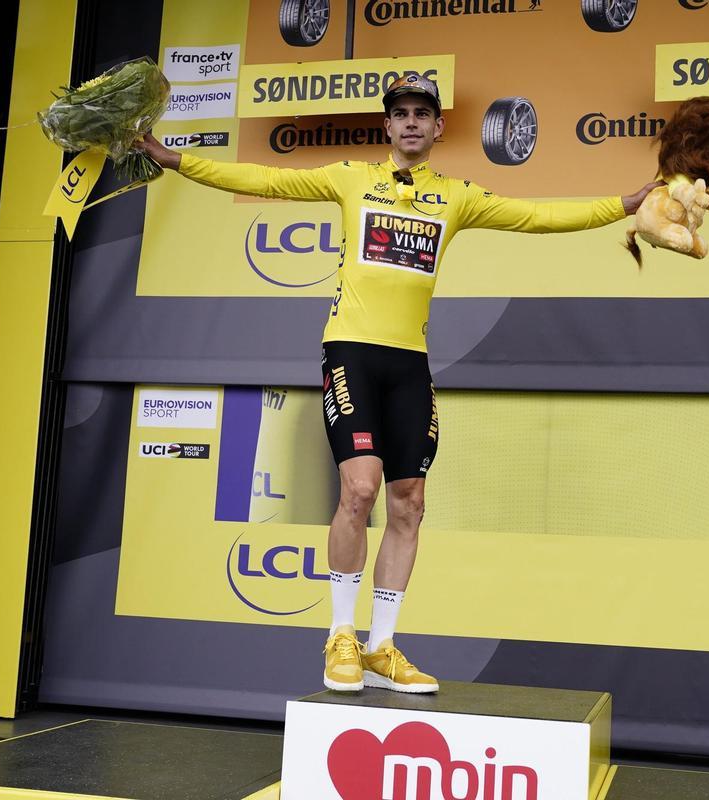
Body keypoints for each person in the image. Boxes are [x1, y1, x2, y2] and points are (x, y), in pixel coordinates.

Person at [136, 73, 657, 694]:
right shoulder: (351, 176)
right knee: (360, 489)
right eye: (400, 113)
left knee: (409, 500)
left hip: (410, 361)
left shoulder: (456, 196)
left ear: (438, 128)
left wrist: (620, 207)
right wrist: (179, 161)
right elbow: (265, 180)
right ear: (387, 126)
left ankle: (382, 646)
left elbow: (535, 216)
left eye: (422, 114)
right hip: (351, 351)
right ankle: (340, 634)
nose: (411, 122)